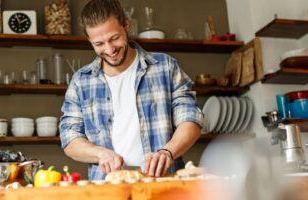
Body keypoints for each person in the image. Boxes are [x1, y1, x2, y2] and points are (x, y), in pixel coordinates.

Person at [59, 0, 204, 180]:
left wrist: (167, 152)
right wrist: (99, 153)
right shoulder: (81, 81)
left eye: (114, 38)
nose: (109, 49)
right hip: (108, 188)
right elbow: (69, 138)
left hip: (162, 181)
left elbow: (191, 119)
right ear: (89, 40)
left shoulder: (165, 66)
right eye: (99, 44)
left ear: (126, 25)